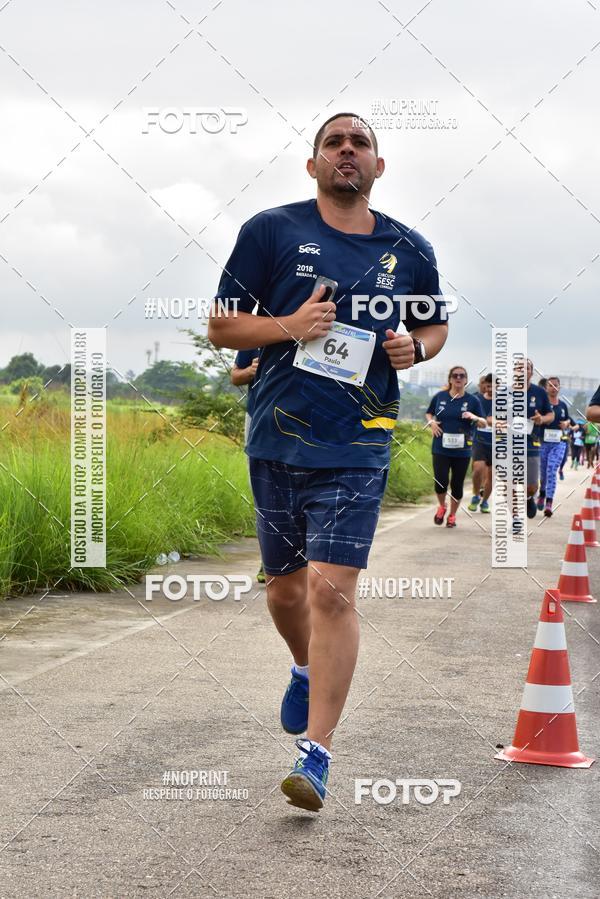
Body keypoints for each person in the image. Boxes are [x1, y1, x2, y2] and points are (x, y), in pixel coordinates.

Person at [208, 112, 448, 812]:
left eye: (361, 143)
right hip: (278, 438)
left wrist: (418, 349)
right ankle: (303, 666)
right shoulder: (270, 232)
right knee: (285, 592)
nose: (348, 150)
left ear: (379, 165)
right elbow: (223, 325)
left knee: (332, 592)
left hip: (361, 439)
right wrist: (287, 327)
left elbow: (433, 323)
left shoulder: (410, 246)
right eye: (334, 143)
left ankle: (315, 756)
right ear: (313, 165)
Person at [425, 366, 487, 527]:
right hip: (440, 447)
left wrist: (473, 416)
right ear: (450, 379)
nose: (458, 378)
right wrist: (431, 422)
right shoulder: (440, 396)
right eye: (455, 375)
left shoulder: (473, 401)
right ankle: (442, 506)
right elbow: (429, 413)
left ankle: (452, 515)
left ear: (466, 380)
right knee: (440, 481)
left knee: (457, 484)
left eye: (462, 376)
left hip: (462, 450)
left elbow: (484, 422)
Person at [231, 350, 265, 583]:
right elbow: (235, 375)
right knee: (264, 490)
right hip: (260, 418)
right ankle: (270, 562)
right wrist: (251, 371)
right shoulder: (258, 329)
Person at [521, 360, 554, 519]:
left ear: (531, 372)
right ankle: (515, 518)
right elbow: (491, 416)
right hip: (509, 443)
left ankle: (529, 498)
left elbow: (550, 415)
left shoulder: (539, 393)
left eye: (525, 368)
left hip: (531, 443)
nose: (521, 370)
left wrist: (542, 419)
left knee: (532, 485)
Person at [537, 376, 570, 517]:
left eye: (556, 385)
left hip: (559, 443)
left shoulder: (562, 406)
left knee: (551, 470)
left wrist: (566, 424)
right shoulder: (542, 405)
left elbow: (568, 420)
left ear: (559, 387)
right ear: (546, 388)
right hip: (543, 443)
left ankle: (549, 502)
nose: (553, 388)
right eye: (550, 385)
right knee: (543, 473)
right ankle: (542, 493)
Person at [468, 373, 493, 513]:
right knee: (478, 469)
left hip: (498, 443)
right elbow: (469, 415)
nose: (489, 388)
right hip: (479, 440)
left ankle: (484, 502)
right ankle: (476, 494)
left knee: (491, 475)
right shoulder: (476, 399)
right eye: (487, 385)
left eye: (492, 385)